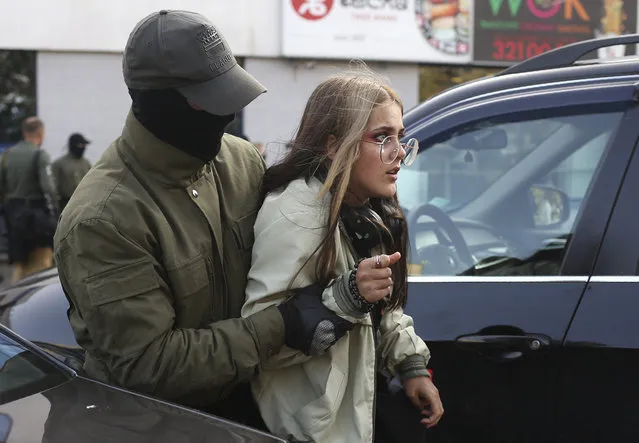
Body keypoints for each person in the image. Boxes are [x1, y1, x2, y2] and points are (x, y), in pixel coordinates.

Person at [53, 9, 353, 428]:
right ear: (159, 102)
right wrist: (279, 326)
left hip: (243, 416)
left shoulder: (241, 161)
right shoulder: (103, 220)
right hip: (151, 429)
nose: (227, 117)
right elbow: (149, 367)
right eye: (211, 102)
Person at [242, 69, 444, 442]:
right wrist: (347, 297)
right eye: (383, 137)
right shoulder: (296, 214)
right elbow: (259, 340)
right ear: (334, 146)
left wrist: (410, 363)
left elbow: (380, 304)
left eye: (400, 137)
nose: (399, 152)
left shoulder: (368, 208)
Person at [0, 117, 58, 283]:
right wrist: (55, 210)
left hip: (14, 219)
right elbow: (49, 188)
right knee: (42, 266)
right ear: (41, 133)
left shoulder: (6, 156)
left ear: (24, 132)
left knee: (18, 267)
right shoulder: (40, 155)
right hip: (37, 220)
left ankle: (12, 303)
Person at [52, 133, 92, 212]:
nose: (84, 148)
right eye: (81, 145)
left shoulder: (86, 163)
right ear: (73, 145)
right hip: (65, 205)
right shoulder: (59, 164)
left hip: (85, 205)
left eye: (85, 145)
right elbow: (53, 187)